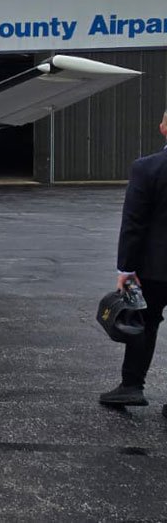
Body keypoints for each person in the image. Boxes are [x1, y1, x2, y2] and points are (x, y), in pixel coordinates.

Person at [100, 110, 167, 417]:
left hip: (153, 269)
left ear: (163, 127)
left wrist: (125, 271)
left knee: (144, 323)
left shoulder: (147, 168)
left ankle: (131, 386)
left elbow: (134, 223)